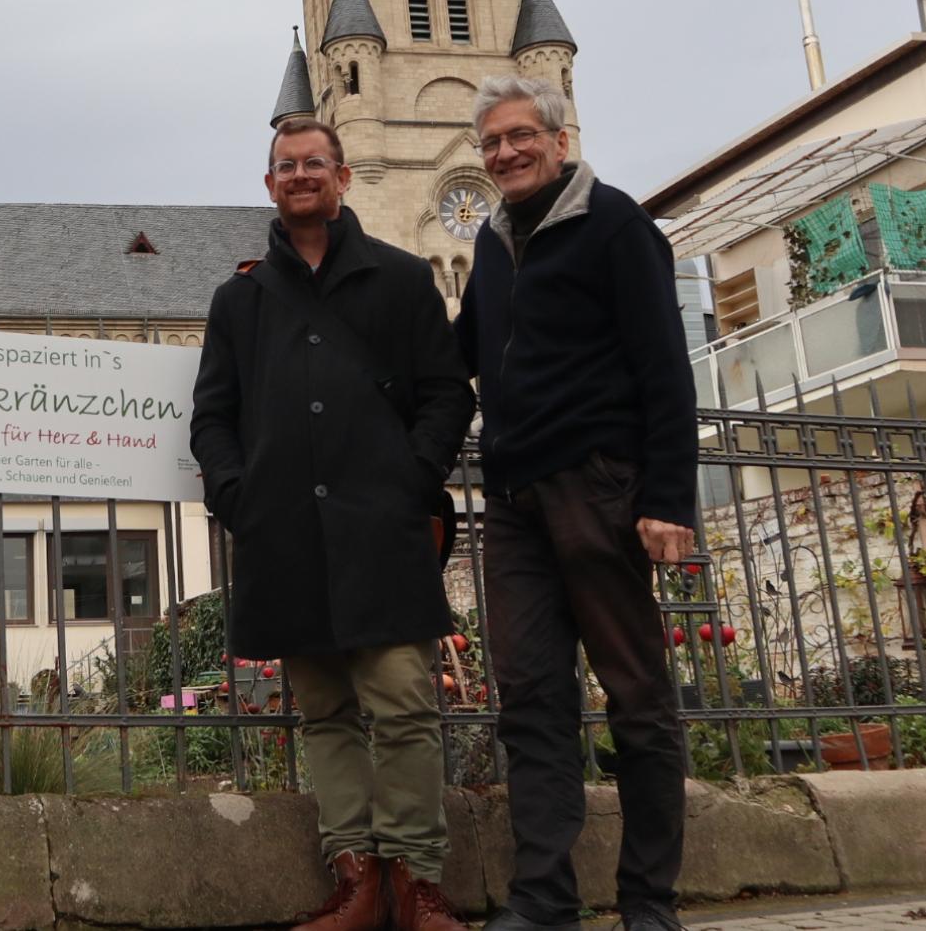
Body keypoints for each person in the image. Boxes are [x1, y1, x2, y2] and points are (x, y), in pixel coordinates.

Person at [192, 116, 476, 931]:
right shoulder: (239, 299)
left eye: (315, 162)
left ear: (342, 178)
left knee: (405, 703)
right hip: (284, 535)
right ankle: (355, 882)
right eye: (285, 165)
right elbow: (213, 419)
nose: (300, 174)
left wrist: (413, 478)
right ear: (270, 185)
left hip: (384, 531)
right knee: (324, 712)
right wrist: (238, 498)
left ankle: (416, 884)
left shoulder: (397, 278)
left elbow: (447, 394)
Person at [453, 76, 697, 931]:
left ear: (560, 140)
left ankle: (648, 901)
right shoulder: (490, 242)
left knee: (636, 696)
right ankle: (543, 899)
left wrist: (668, 497)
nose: (506, 153)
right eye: (491, 143)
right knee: (530, 699)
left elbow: (665, 365)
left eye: (521, 137)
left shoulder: (616, 224)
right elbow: (460, 358)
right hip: (514, 501)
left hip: (600, 485)